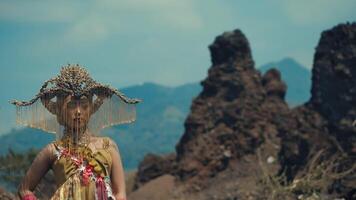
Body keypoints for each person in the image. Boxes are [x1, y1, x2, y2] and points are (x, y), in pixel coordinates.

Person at [11, 65, 142, 200]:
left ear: (92, 109)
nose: (78, 112)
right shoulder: (53, 150)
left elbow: (120, 193)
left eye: (84, 106)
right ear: (59, 110)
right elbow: (24, 189)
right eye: (71, 105)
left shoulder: (108, 146)